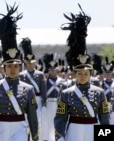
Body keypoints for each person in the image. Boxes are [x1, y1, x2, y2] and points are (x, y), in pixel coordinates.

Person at [54, 4, 110, 141]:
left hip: (92, 129)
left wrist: (106, 136)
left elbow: (104, 117)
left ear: (91, 74)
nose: (83, 76)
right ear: (74, 74)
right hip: (73, 130)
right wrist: (59, 137)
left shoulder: (99, 92)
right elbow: (60, 118)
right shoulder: (66, 93)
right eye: (79, 73)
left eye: (86, 73)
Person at [0, 3, 39, 141]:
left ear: (21, 68)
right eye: (9, 67)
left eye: (16, 66)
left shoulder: (29, 89)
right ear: (3, 68)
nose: (12, 69)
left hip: (19, 128)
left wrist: (35, 136)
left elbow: (32, 115)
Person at [19, 37, 47, 139]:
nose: (30, 65)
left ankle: (35, 138)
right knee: (26, 120)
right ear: (25, 63)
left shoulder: (40, 74)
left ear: (35, 63)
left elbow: (43, 89)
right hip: (25, 99)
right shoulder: (21, 75)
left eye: (32, 63)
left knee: (37, 121)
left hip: (38, 99)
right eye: (28, 63)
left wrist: (44, 102)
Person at [41, 53, 67, 141]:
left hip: (59, 104)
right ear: (48, 70)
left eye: (54, 69)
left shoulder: (62, 81)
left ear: (57, 70)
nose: (52, 71)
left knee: (58, 123)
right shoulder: (45, 81)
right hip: (49, 104)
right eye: (51, 69)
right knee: (47, 124)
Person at [101, 57, 114, 124]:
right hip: (104, 109)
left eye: (110, 73)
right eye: (107, 73)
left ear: (112, 73)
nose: (108, 75)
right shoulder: (101, 84)